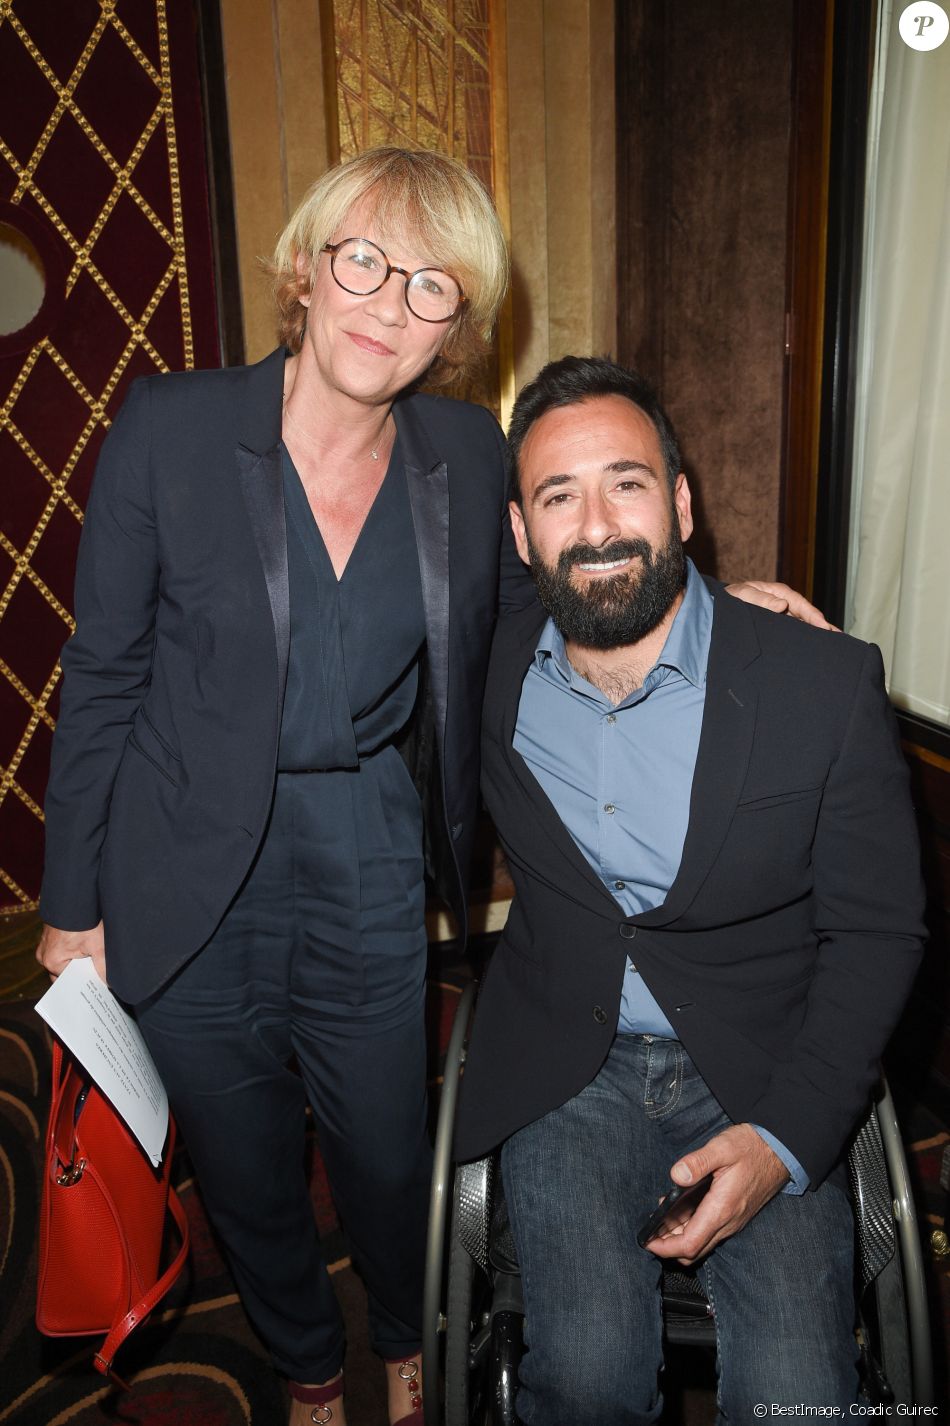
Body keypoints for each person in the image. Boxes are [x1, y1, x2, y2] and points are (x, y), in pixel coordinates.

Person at [36, 149, 826, 1426]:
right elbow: (104, 672)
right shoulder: (170, 428)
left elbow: (549, 610)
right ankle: (304, 1361)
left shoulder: (463, 454)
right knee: (239, 1164)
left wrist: (705, 607)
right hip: (177, 861)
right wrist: (71, 904)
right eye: (361, 260)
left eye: (430, 287)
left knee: (387, 1146)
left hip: (365, 846)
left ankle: (405, 1338)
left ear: (456, 328)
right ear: (303, 267)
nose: (385, 303)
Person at [455, 356, 926, 1424]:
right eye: (556, 495)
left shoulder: (818, 682)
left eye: (625, 482)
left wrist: (784, 1140)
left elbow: (878, 932)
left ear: (679, 502)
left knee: (800, 1397)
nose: (596, 524)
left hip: (763, 1064)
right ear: (521, 536)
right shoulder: (483, 672)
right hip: (566, 1065)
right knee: (580, 1375)